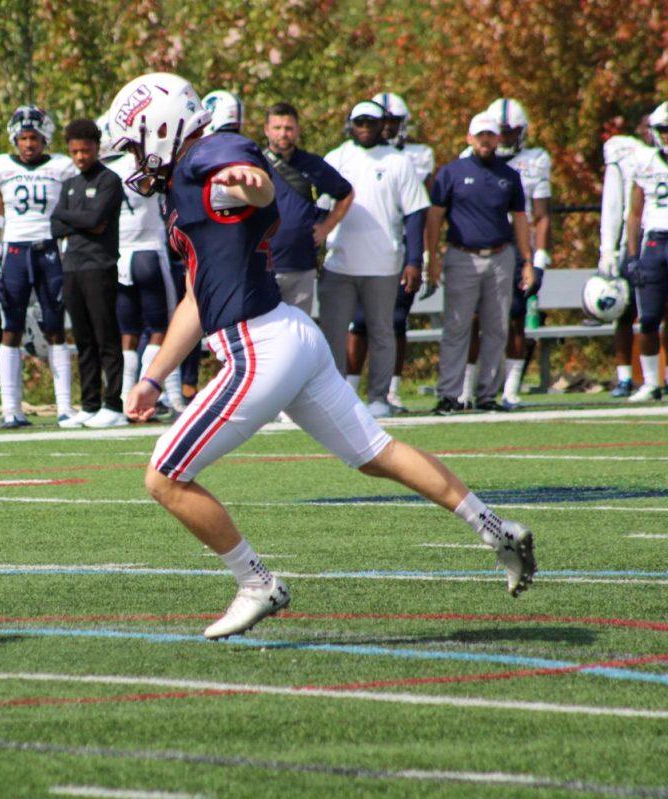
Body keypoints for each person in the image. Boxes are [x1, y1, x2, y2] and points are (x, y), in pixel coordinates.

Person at [109, 72, 535, 640]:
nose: (137, 157)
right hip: (290, 333)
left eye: (137, 141)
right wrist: (154, 374)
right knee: (374, 453)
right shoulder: (188, 181)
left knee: (165, 477)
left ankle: (256, 582)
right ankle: (495, 527)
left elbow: (249, 180)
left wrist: (252, 182)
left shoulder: (208, 156)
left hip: (259, 345)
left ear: (161, 127)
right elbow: (196, 294)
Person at [319, 100, 429, 419]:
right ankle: (334, 396)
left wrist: (414, 261)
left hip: (384, 264)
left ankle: (379, 396)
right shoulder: (336, 158)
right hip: (339, 263)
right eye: (359, 122)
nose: (365, 128)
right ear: (350, 124)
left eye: (371, 122)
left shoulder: (399, 162)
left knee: (382, 331)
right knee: (333, 334)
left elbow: (414, 214)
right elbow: (320, 211)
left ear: (384, 125)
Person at [426, 113, 535, 414]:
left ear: (498, 138)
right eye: (480, 135)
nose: (486, 140)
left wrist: (527, 260)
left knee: (497, 328)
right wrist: (432, 258)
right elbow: (435, 218)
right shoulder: (451, 173)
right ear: (469, 139)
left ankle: (487, 395)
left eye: (490, 135)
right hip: (462, 256)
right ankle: (449, 394)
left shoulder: (509, 175)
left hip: (501, 256)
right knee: (457, 327)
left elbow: (521, 220)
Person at [0, 106, 79, 427]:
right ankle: (11, 409)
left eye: (34, 138)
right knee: (10, 329)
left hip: (49, 251)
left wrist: (68, 263)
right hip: (14, 252)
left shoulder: (61, 167)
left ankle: (65, 407)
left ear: (45, 138)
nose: (28, 144)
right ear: (14, 139)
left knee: (56, 327)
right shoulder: (0, 168)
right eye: (23, 138)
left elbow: (68, 216)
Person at [457, 98, 552, 409]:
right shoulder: (470, 159)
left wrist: (537, 260)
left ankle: (510, 388)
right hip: (481, 242)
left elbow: (540, 215)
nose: (504, 139)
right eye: (501, 132)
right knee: (472, 317)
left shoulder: (536, 160)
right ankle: (466, 389)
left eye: (510, 132)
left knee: (515, 317)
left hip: (515, 246)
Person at [347, 92, 436, 410]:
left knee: (394, 322)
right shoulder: (348, 155)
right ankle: (349, 391)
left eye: (392, 121)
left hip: (394, 251)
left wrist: (419, 258)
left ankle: (390, 391)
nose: (386, 128)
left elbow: (417, 213)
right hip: (355, 254)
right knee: (357, 323)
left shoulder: (412, 157)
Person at [50, 118, 126, 428]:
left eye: (85, 150)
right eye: (75, 151)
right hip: (72, 267)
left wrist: (73, 218)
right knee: (83, 340)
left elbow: (97, 218)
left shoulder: (110, 180)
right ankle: (90, 404)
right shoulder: (69, 184)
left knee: (105, 336)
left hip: (100, 265)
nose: (81, 157)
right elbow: (55, 225)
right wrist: (82, 221)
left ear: (97, 147)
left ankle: (114, 404)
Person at [103, 143, 183, 412]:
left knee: (128, 333)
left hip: (119, 256)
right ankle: (167, 395)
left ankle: (126, 396)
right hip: (149, 252)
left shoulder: (103, 170)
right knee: (165, 328)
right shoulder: (144, 163)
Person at [261, 102, 354, 314]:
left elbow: (346, 193)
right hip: (263, 266)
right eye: (277, 128)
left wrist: (326, 227)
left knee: (299, 333)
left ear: (297, 130)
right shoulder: (255, 163)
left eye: (289, 128)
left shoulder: (312, 164)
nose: (283, 133)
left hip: (301, 266)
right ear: (266, 130)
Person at [599, 114, 658, 397]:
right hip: (634, 243)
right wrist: (609, 249)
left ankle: (661, 377)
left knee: (658, 313)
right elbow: (618, 206)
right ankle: (625, 377)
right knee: (626, 311)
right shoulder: (632, 155)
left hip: (657, 238)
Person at [623, 102, 668, 401]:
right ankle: (651, 382)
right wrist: (630, 254)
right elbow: (634, 212)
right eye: (664, 130)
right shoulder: (645, 161)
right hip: (655, 242)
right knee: (649, 317)